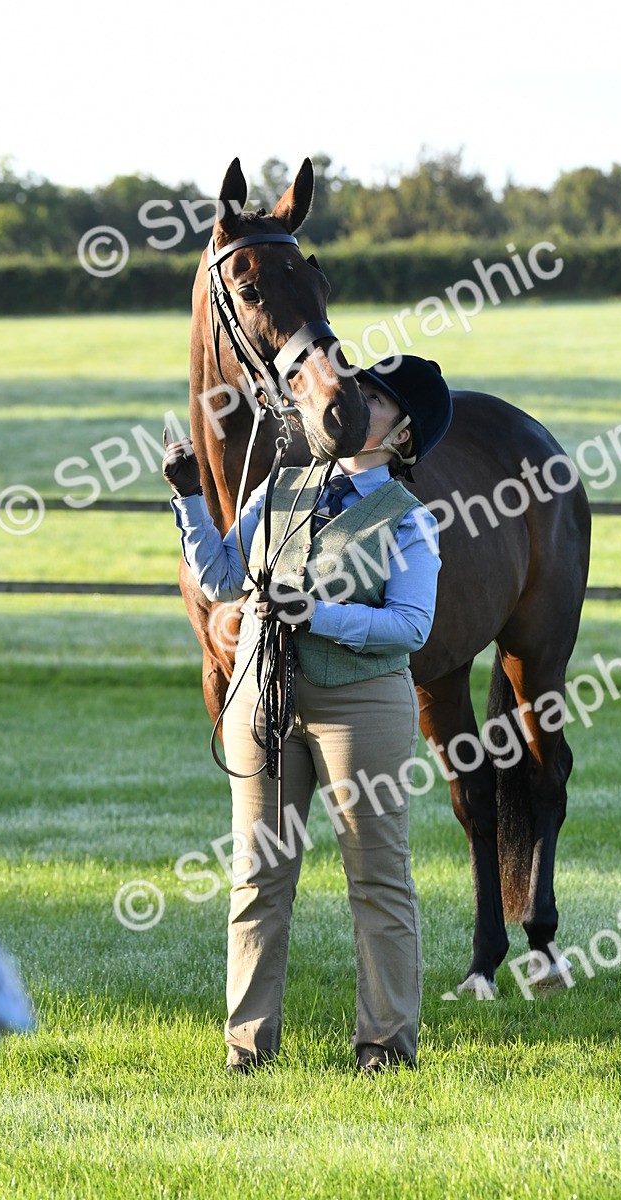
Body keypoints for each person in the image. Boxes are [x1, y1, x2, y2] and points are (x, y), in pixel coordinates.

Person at [163, 355, 452, 1075]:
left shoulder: (410, 518)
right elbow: (223, 577)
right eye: (359, 386)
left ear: (406, 434)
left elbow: (412, 626)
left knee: (377, 877)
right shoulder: (279, 486)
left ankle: (385, 1047)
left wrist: (315, 614)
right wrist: (189, 497)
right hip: (263, 694)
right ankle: (246, 1046)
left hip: (362, 707)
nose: (355, 398)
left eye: (377, 398)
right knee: (258, 875)